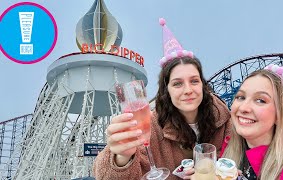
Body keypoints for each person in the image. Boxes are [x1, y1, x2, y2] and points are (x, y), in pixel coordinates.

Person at [92, 18, 231, 180]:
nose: (188, 90)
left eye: (194, 81)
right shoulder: (150, 126)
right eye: (177, 84)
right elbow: (103, 175)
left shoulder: (224, 118)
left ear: (203, 85)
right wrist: (121, 158)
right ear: (167, 91)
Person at [221, 50, 283, 180]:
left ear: (280, 114)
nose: (244, 108)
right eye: (240, 97)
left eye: (260, 100)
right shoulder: (229, 150)